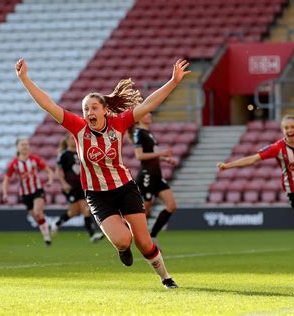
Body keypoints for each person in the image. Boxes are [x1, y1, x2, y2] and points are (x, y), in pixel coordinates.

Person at [15, 57, 191, 289]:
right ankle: (123, 248)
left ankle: (166, 278)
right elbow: (48, 104)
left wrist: (173, 82)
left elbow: (148, 104)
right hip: (98, 196)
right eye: (86, 108)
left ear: (105, 110)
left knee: (145, 242)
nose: (89, 111)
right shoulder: (78, 127)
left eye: (94, 107)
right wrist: (25, 79)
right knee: (123, 240)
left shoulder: (118, 124)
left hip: (124, 188)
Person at [217, 112, 294, 256]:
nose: (289, 130)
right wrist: (228, 166)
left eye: (292, 127)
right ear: (283, 131)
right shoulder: (278, 148)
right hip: (293, 191)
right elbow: (253, 159)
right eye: (286, 128)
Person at [129, 112, 178, 240]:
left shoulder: (149, 133)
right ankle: (127, 233)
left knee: (171, 206)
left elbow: (151, 155)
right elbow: (139, 156)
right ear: (139, 118)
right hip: (147, 176)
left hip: (156, 175)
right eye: (146, 114)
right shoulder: (138, 133)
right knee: (143, 211)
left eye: (150, 114)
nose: (149, 116)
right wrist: (161, 153)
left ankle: (153, 236)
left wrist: (165, 159)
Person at [52, 133, 104, 242]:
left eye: (74, 138)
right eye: (71, 138)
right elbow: (58, 171)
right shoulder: (63, 154)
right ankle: (57, 223)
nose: (73, 140)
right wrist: (63, 183)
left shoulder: (80, 152)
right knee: (74, 212)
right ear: (66, 141)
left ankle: (92, 235)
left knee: (85, 209)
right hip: (70, 187)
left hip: (82, 185)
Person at [2, 137, 54, 246]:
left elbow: (49, 171)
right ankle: (46, 231)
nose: (25, 147)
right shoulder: (14, 164)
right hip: (24, 193)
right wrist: (5, 193)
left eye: (26, 144)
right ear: (17, 147)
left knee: (37, 212)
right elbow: (6, 180)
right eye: (22, 145)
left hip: (37, 190)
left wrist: (50, 180)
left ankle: (47, 238)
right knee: (36, 217)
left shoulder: (34, 159)